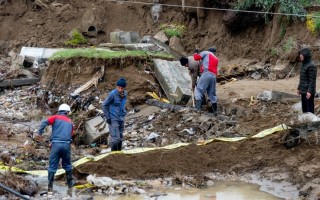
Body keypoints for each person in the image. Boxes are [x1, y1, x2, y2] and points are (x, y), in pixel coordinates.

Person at [35, 103, 75, 192]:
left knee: (52, 166)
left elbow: (44, 122)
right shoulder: (70, 122)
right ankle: (70, 185)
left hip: (56, 145)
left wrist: (39, 133)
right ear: (67, 112)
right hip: (66, 145)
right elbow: (71, 134)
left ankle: (50, 188)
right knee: (67, 165)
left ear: (60, 111)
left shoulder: (55, 117)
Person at [102, 78, 127, 151]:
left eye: (121, 88)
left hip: (121, 118)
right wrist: (108, 117)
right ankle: (113, 156)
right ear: (116, 87)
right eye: (118, 87)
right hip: (113, 119)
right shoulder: (112, 94)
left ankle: (119, 154)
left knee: (120, 138)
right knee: (115, 139)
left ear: (124, 88)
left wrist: (124, 112)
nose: (120, 89)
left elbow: (122, 105)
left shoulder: (125, 94)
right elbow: (104, 105)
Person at [193, 47, 219, 115]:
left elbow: (196, 58)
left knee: (198, 89)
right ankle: (215, 111)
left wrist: (195, 52)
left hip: (206, 73)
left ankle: (198, 108)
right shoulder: (216, 58)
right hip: (214, 76)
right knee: (211, 93)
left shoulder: (205, 53)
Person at [297, 47, 317, 113]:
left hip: (308, 92)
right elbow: (302, 78)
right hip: (303, 91)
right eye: (300, 54)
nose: (300, 56)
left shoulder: (312, 66)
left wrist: (309, 92)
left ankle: (312, 122)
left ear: (305, 55)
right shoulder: (303, 65)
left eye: (301, 54)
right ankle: (306, 122)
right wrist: (299, 88)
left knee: (310, 110)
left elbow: (312, 81)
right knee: (304, 109)